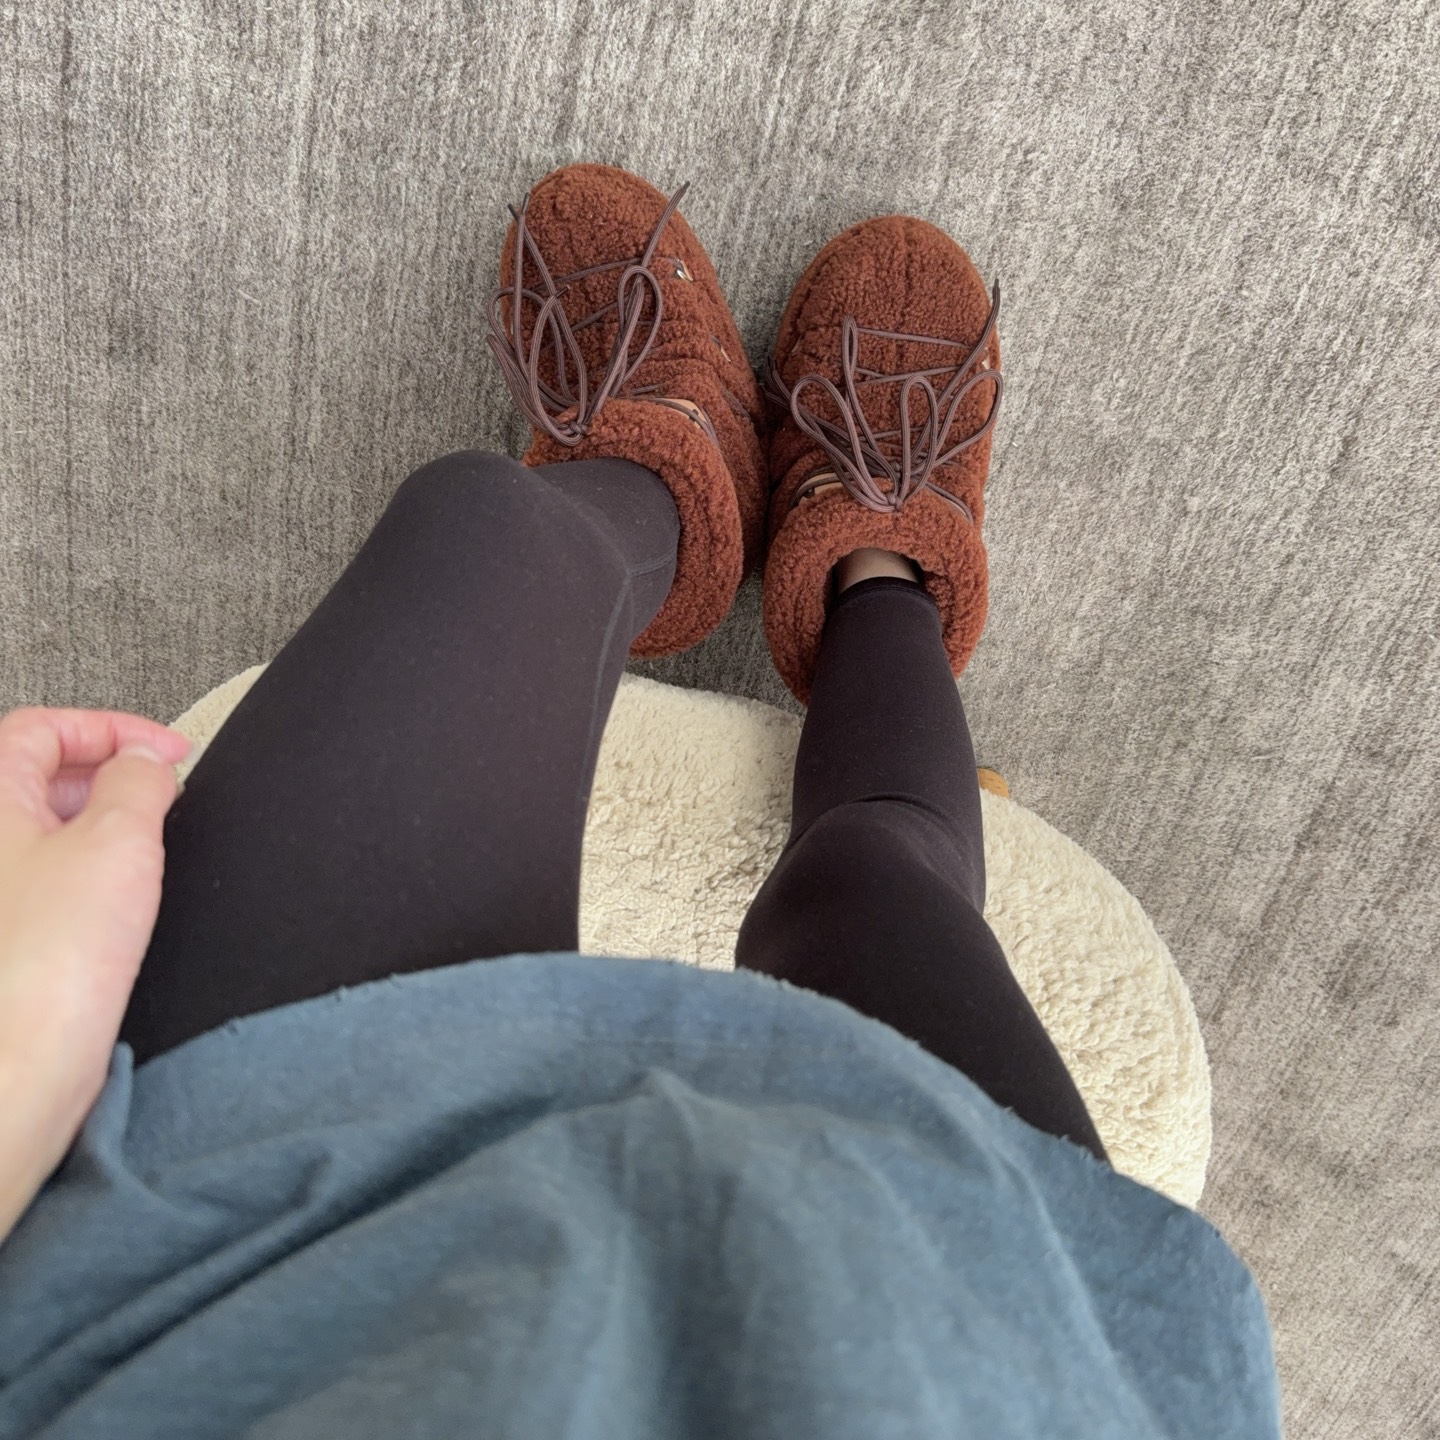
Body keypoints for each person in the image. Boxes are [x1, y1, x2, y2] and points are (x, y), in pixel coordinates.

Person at [0, 164, 1281, 1438]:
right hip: (968, 1328)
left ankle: (657, 477)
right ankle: (875, 563)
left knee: (478, 529)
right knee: (880, 883)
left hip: (193, 1288)